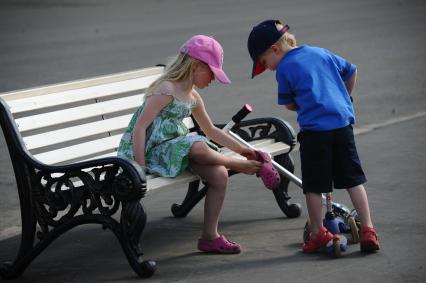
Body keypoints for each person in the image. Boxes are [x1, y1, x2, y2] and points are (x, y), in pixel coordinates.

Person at [118, 35, 271, 254]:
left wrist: (244, 149)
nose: (214, 79)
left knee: (219, 175)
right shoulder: (166, 89)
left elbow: (210, 130)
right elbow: (140, 127)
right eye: (212, 72)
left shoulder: (193, 97)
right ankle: (236, 165)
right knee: (198, 146)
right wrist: (139, 167)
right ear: (196, 65)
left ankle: (210, 237)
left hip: (172, 150)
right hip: (149, 152)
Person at [247, 19, 380, 253]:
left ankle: (318, 232)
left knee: (314, 186)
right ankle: (368, 228)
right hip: (342, 125)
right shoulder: (321, 52)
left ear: (275, 50)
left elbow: (288, 104)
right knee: (353, 179)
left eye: (264, 62)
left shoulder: (285, 69)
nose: (268, 68)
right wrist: (345, 98)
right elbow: (351, 71)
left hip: (315, 131)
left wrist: (306, 105)